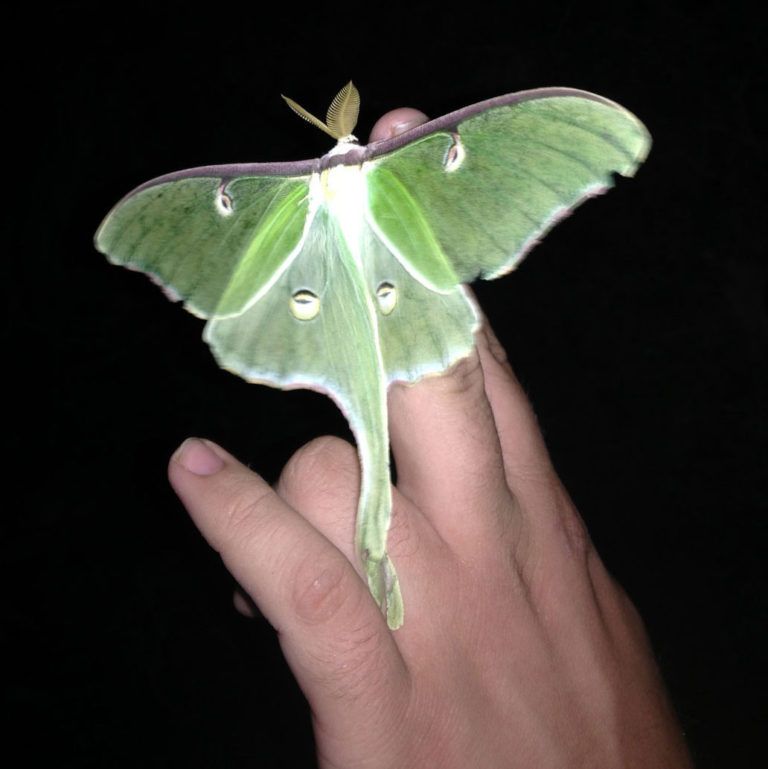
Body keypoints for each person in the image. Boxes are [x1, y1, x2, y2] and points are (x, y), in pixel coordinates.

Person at [168, 108, 695, 768]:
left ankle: (375, 559)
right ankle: (376, 557)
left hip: (342, 288)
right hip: (325, 285)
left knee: (368, 429)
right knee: (364, 420)